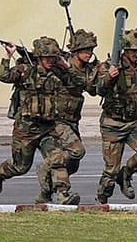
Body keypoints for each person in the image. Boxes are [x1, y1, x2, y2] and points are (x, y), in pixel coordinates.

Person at [0, 36, 83, 205]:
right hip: (26, 129)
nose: (51, 61)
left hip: (47, 128)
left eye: (54, 57)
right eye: (48, 57)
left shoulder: (58, 72)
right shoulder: (25, 70)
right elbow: (3, 76)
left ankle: (63, 194)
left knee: (57, 158)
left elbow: (78, 84)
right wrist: (7, 57)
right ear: (39, 57)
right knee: (20, 167)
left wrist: (67, 67)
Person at [35, 29, 99, 204]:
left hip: (72, 121)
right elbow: (42, 64)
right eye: (86, 50)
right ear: (76, 51)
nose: (89, 53)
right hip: (56, 120)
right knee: (77, 151)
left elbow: (91, 88)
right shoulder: (60, 64)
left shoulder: (87, 70)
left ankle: (46, 191)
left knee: (72, 164)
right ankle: (60, 189)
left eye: (91, 50)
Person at [94, 28, 137, 204]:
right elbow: (98, 89)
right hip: (113, 124)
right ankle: (102, 198)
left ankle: (126, 174)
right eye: (133, 51)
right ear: (125, 50)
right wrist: (109, 77)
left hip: (134, 122)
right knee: (111, 170)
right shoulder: (110, 65)